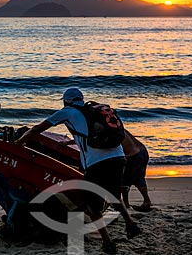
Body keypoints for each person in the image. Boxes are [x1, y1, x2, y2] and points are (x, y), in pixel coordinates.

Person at [16, 88, 141, 254]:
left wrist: (19, 142)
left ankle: (107, 242)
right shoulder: (93, 110)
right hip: (119, 157)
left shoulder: (67, 111)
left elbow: (38, 128)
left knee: (91, 206)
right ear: (81, 99)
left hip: (97, 163)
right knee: (113, 196)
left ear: (65, 101)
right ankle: (131, 224)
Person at [121, 129, 152, 211]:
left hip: (132, 156)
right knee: (139, 178)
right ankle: (147, 201)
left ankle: (126, 204)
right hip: (142, 151)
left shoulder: (109, 130)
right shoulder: (118, 126)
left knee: (124, 180)